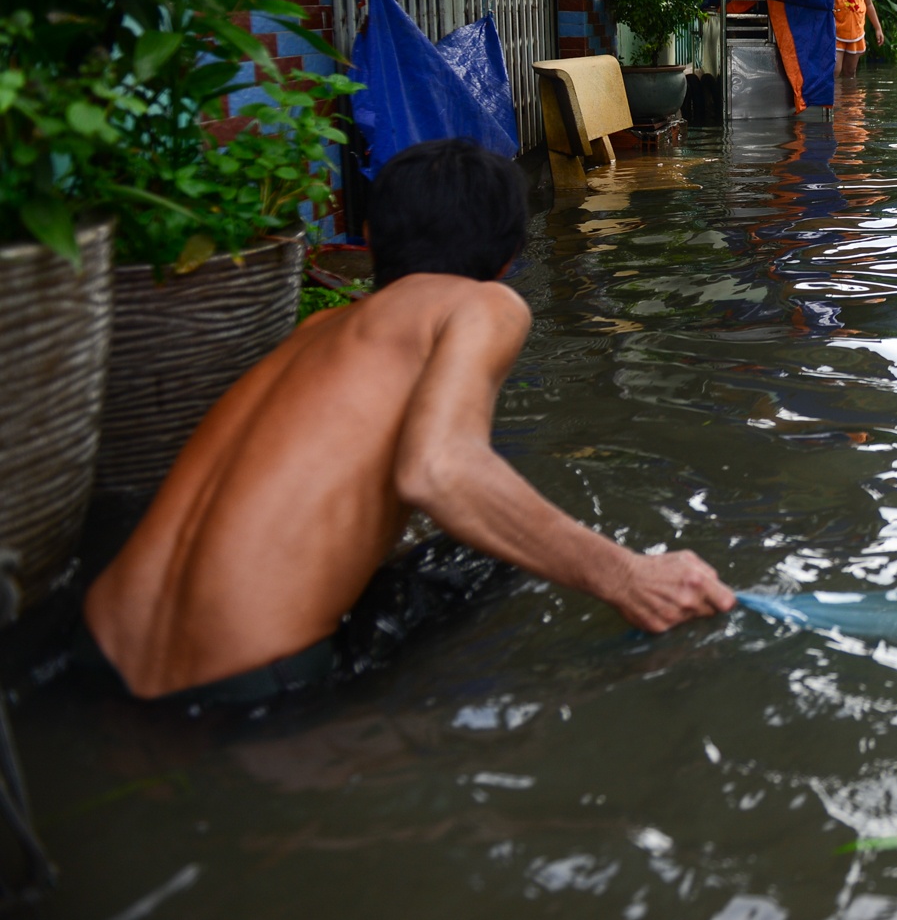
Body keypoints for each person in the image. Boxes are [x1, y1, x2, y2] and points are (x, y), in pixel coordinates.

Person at [82, 139, 735, 703]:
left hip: (102, 646)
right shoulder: (482, 305)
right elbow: (439, 470)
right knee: (486, 557)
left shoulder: (319, 326)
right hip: (245, 686)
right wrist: (626, 573)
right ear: (508, 257)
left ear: (369, 240)